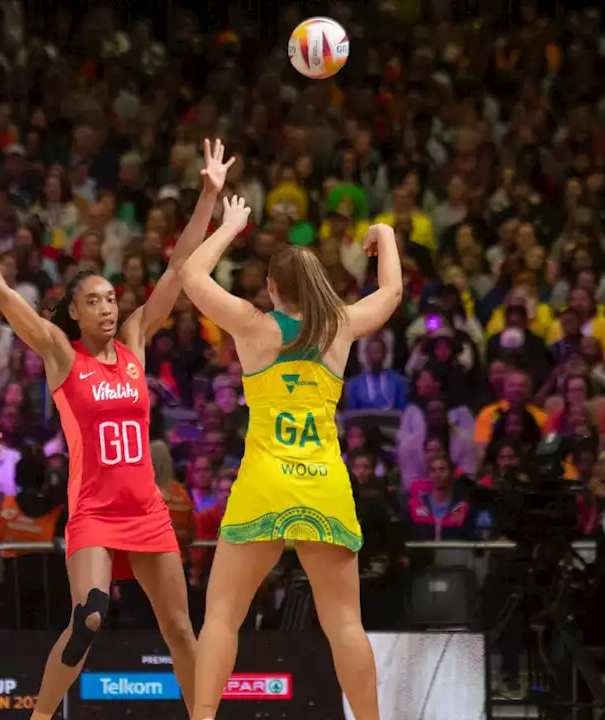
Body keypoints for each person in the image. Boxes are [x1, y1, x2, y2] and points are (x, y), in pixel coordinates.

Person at [0, 138, 234, 720]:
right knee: (87, 616)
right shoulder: (62, 355)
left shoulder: (135, 341)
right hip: (93, 512)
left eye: (112, 298)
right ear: (76, 312)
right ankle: (40, 717)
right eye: (95, 301)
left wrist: (208, 195)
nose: (109, 307)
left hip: (147, 509)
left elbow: (179, 270)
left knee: (182, 630)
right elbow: (3, 293)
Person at [179, 195, 395, 720]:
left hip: (264, 482)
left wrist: (230, 225)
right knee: (345, 622)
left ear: (273, 287)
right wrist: (384, 235)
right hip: (323, 483)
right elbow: (390, 291)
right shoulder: (340, 326)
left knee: (222, 618)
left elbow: (190, 273)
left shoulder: (254, 326)